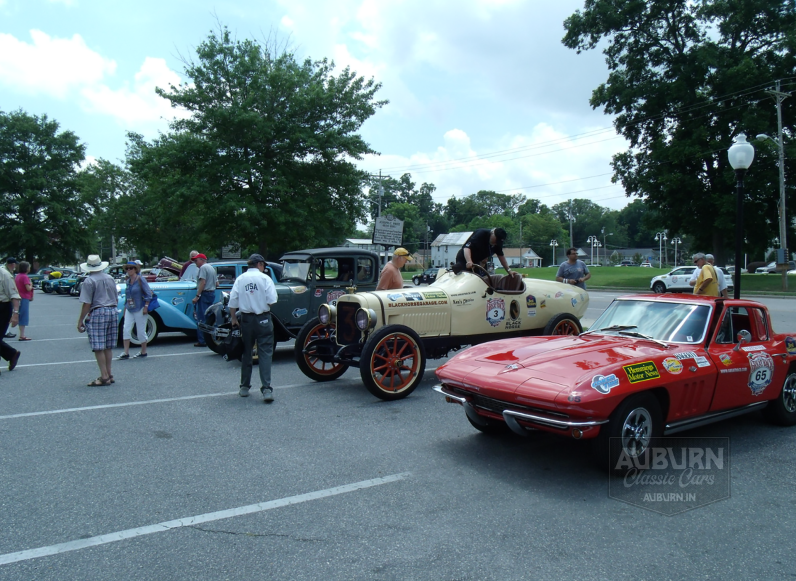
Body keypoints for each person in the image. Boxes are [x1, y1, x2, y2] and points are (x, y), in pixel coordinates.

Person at [229, 253, 278, 402]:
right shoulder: (265, 279)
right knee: (265, 353)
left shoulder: (241, 279)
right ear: (260, 264)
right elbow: (272, 300)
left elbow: (232, 301)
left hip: (246, 319)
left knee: (246, 351)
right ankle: (266, 389)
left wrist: (233, 318)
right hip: (263, 317)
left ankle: (244, 387)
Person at [77, 255, 119, 386]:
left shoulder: (89, 281)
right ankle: (109, 373)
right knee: (108, 345)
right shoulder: (110, 278)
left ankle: (104, 376)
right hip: (112, 310)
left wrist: (80, 320)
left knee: (98, 346)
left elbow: (87, 303)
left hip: (98, 311)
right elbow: (116, 298)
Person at [117, 261, 153, 359]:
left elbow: (148, 294)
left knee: (140, 330)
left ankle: (143, 351)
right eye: (127, 268)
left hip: (140, 307)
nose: (129, 270)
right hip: (130, 308)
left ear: (135, 269)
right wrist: (125, 308)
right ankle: (126, 352)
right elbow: (127, 296)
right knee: (126, 328)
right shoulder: (128, 281)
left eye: (131, 268)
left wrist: (146, 306)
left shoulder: (141, 280)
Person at [191, 253, 217, 347]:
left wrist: (197, 296)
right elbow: (217, 283)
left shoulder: (203, 268)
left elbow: (203, 282)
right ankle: (212, 338)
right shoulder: (211, 268)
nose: (195, 263)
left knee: (201, 318)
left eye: (196, 260)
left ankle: (202, 340)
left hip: (205, 294)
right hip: (212, 293)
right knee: (210, 318)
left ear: (202, 260)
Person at [0, 263, 21, 373]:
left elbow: (14, 295)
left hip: (2, 307)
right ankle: (12, 353)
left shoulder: (4, 274)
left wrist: (15, 314)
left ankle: (12, 354)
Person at [15, 261, 33, 341]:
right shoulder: (25, 277)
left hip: (18, 297)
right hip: (24, 297)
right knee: (23, 316)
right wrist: (31, 284)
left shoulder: (17, 276)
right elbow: (28, 288)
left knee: (18, 314)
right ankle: (22, 335)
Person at [4, 257, 17, 338]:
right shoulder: (6, 273)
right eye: (14, 264)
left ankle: (6, 331)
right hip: (6, 298)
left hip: (6, 297)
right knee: (7, 316)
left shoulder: (8, 271)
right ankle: (6, 331)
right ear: (11, 264)